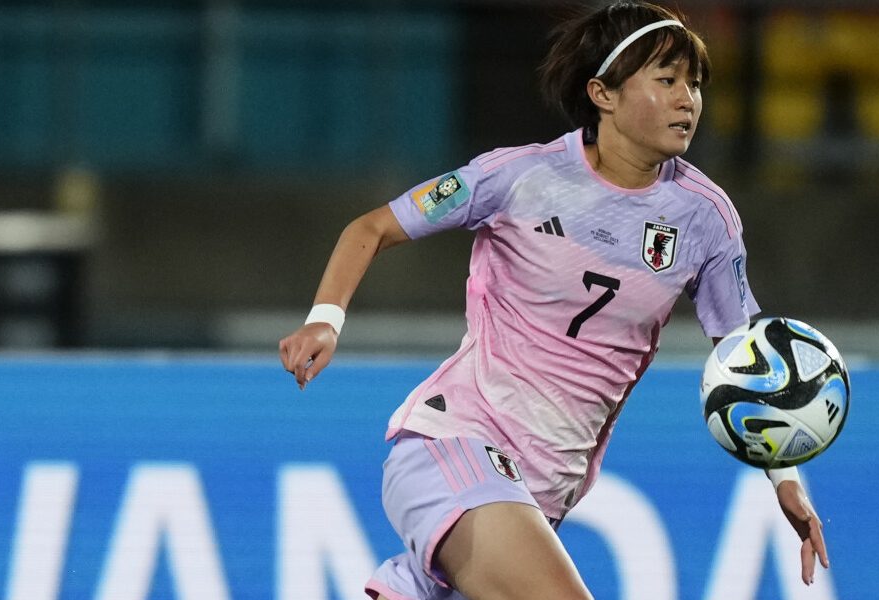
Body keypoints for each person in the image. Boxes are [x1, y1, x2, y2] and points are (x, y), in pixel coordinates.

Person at [278, 2, 829, 598]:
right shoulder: (518, 177)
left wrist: (785, 477)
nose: (687, 98)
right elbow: (370, 228)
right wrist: (325, 321)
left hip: (539, 496)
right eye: (666, 80)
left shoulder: (706, 218)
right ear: (603, 93)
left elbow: (747, 365)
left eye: (693, 83)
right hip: (456, 444)